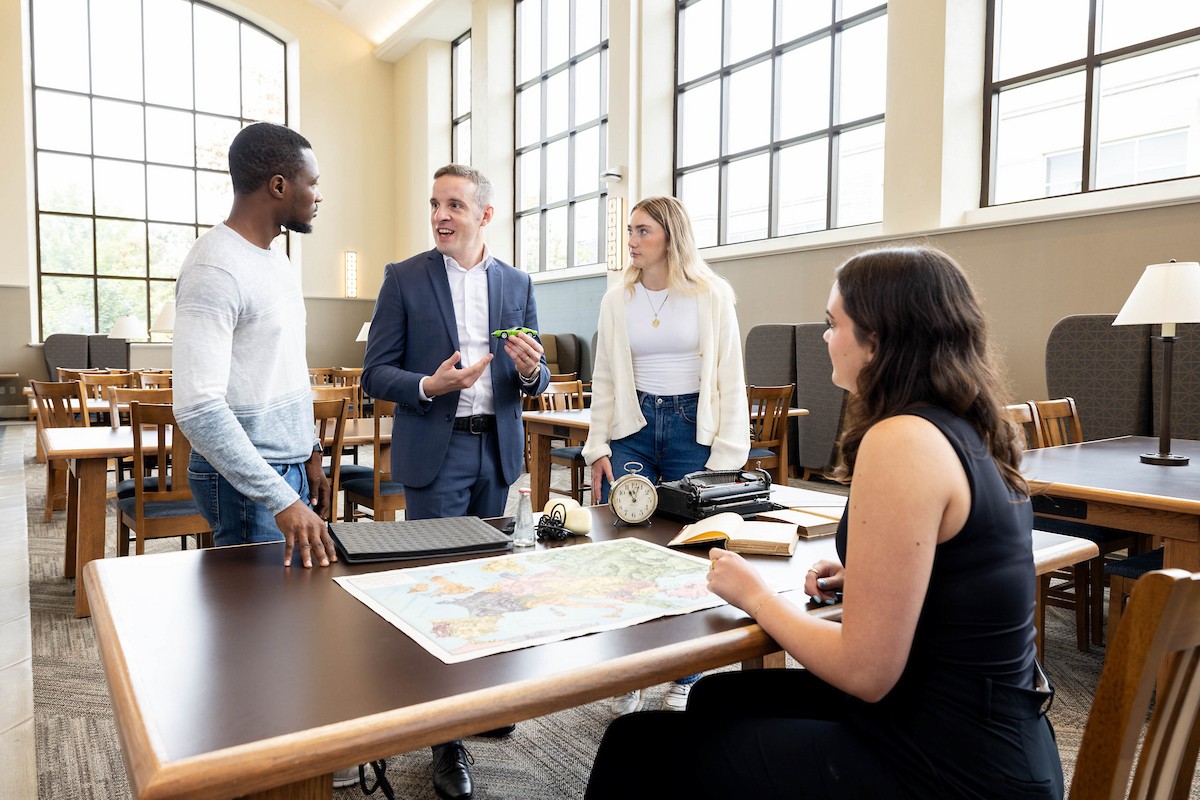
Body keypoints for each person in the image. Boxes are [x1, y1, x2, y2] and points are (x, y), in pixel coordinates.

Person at [585, 245, 1065, 799]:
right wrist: (872, 572)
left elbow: (865, 671)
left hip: (951, 766)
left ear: (879, 340)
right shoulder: (965, 427)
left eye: (833, 324)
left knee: (634, 746)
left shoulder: (901, 441)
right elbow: (957, 572)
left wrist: (757, 596)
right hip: (984, 727)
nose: (825, 337)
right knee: (718, 699)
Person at [361, 163, 550, 800]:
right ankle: (447, 741)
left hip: (494, 453)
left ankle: (483, 702)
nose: (441, 216)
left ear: (485, 216)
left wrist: (532, 372)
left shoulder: (518, 283)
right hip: (434, 458)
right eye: (435, 205)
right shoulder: (404, 278)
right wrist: (427, 385)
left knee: (491, 590)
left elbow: (534, 383)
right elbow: (374, 373)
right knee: (438, 594)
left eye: (455, 206)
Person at [582, 195, 750, 717]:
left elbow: (730, 376)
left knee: (686, 551)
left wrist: (726, 455)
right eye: (629, 231)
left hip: (690, 430)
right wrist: (597, 446)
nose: (631, 241)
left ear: (671, 236)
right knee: (627, 547)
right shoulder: (618, 299)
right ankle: (634, 669)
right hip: (631, 428)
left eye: (642, 231)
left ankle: (685, 674)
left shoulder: (711, 294)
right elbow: (605, 376)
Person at [174, 121, 335, 571]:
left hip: (289, 468)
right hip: (247, 483)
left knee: (290, 614)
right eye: (313, 183)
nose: (318, 195)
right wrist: (280, 498)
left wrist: (312, 452)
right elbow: (197, 409)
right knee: (254, 626)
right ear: (279, 185)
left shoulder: (275, 259)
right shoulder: (214, 268)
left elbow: (285, 369)